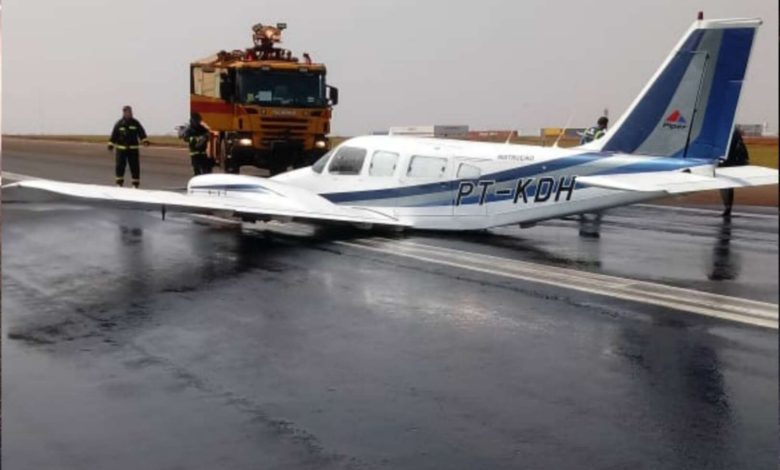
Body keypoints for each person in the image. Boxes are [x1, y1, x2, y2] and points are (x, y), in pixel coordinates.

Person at [108, 106, 149, 187]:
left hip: (133, 149)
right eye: (126, 112)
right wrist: (111, 144)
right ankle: (119, 183)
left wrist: (144, 141)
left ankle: (135, 184)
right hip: (121, 150)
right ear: (123, 113)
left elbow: (141, 132)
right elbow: (114, 135)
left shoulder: (135, 123)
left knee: (134, 167)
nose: (128, 113)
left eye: (130, 112)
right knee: (120, 166)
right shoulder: (119, 124)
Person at [718, 128, 750, 217]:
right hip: (731, 160)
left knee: (725, 184)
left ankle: (727, 207)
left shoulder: (725, 130)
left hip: (726, 160)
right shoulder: (735, 130)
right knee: (727, 185)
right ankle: (728, 207)